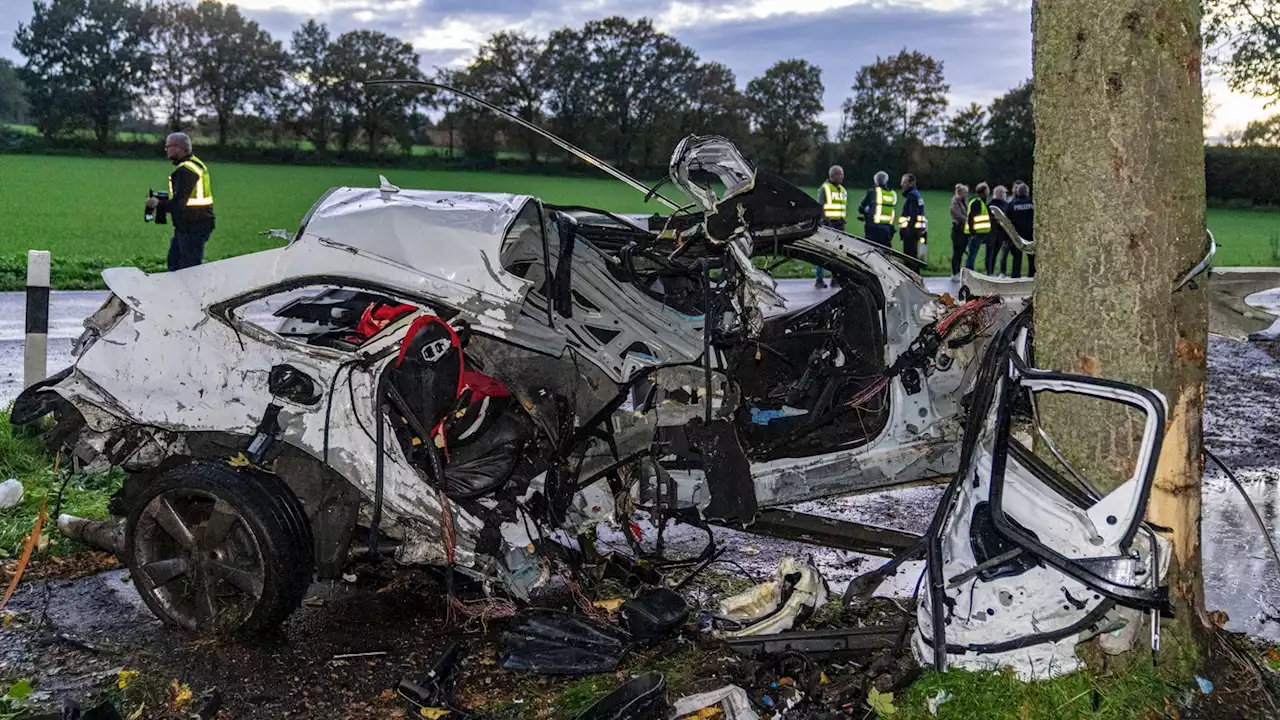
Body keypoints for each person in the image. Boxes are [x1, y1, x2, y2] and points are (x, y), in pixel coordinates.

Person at [145, 132, 215, 271]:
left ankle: (192, 292)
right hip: (194, 223)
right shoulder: (194, 164)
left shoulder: (186, 170)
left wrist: (156, 204)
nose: (166, 150)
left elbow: (179, 203)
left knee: (187, 268)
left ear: (179, 148)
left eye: (168, 146)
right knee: (176, 263)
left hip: (192, 225)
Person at [814, 165, 847, 288]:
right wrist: (825, 221)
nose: (841, 176)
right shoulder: (825, 189)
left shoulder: (843, 190)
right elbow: (821, 207)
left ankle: (835, 278)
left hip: (840, 226)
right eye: (839, 174)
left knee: (837, 255)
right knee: (822, 253)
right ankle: (819, 279)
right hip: (828, 225)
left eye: (842, 174)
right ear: (832, 175)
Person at [857, 170, 897, 249]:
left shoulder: (873, 192)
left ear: (876, 182)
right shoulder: (893, 194)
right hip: (887, 230)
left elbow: (861, 208)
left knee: (870, 253)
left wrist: (866, 211)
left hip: (873, 230)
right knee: (885, 254)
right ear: (886, 181)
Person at [1007, 181, 1036, 278]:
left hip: (1017, 236)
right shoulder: (1033, 202)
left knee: (1016, 258)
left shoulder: (1012, 204)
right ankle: (1032, 277)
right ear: (1027, 192)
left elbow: (1007, 220)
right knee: (1032, 259)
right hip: (1030, 235)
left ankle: (1015, 278)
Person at [963, 182, 992, 273]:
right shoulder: (977, 202)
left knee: (972, 254)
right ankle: (969, 273)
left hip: (979, 233)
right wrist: (973, 232)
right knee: (972, 255)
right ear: (984, 191)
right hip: (977, 233)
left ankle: (969, 272)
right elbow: (972, 218)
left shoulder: (978, 201)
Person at [897, 173, 925, 262]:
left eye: (904, 182)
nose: (902, 185)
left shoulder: (912, 196)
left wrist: (907, 231)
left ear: (911, 183)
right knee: (913, 257)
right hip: (916, 231)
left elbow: (913, 216)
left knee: (909, 258)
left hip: (910, 232)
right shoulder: (917, 194)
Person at [988, 185, 1012, 276]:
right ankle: (990, 272)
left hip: (1003, 232)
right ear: (996, 193)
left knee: (1001, 253)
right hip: (993, 232)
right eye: (1001, 192)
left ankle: (1001, 272)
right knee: (991, 253)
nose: (1003, 194)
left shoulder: (1006, 205)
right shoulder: (991, 204)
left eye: (1004, 193)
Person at [948, 184, 969, 282]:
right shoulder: (955, 202)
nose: (966, 194)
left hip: (963, 230)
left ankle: (958, 271)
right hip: (958, 229)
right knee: (957, 252)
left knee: (960, 252)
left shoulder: (963, 201)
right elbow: (956, 214)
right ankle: (954, 272)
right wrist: (967, 220)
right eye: (965, 192)